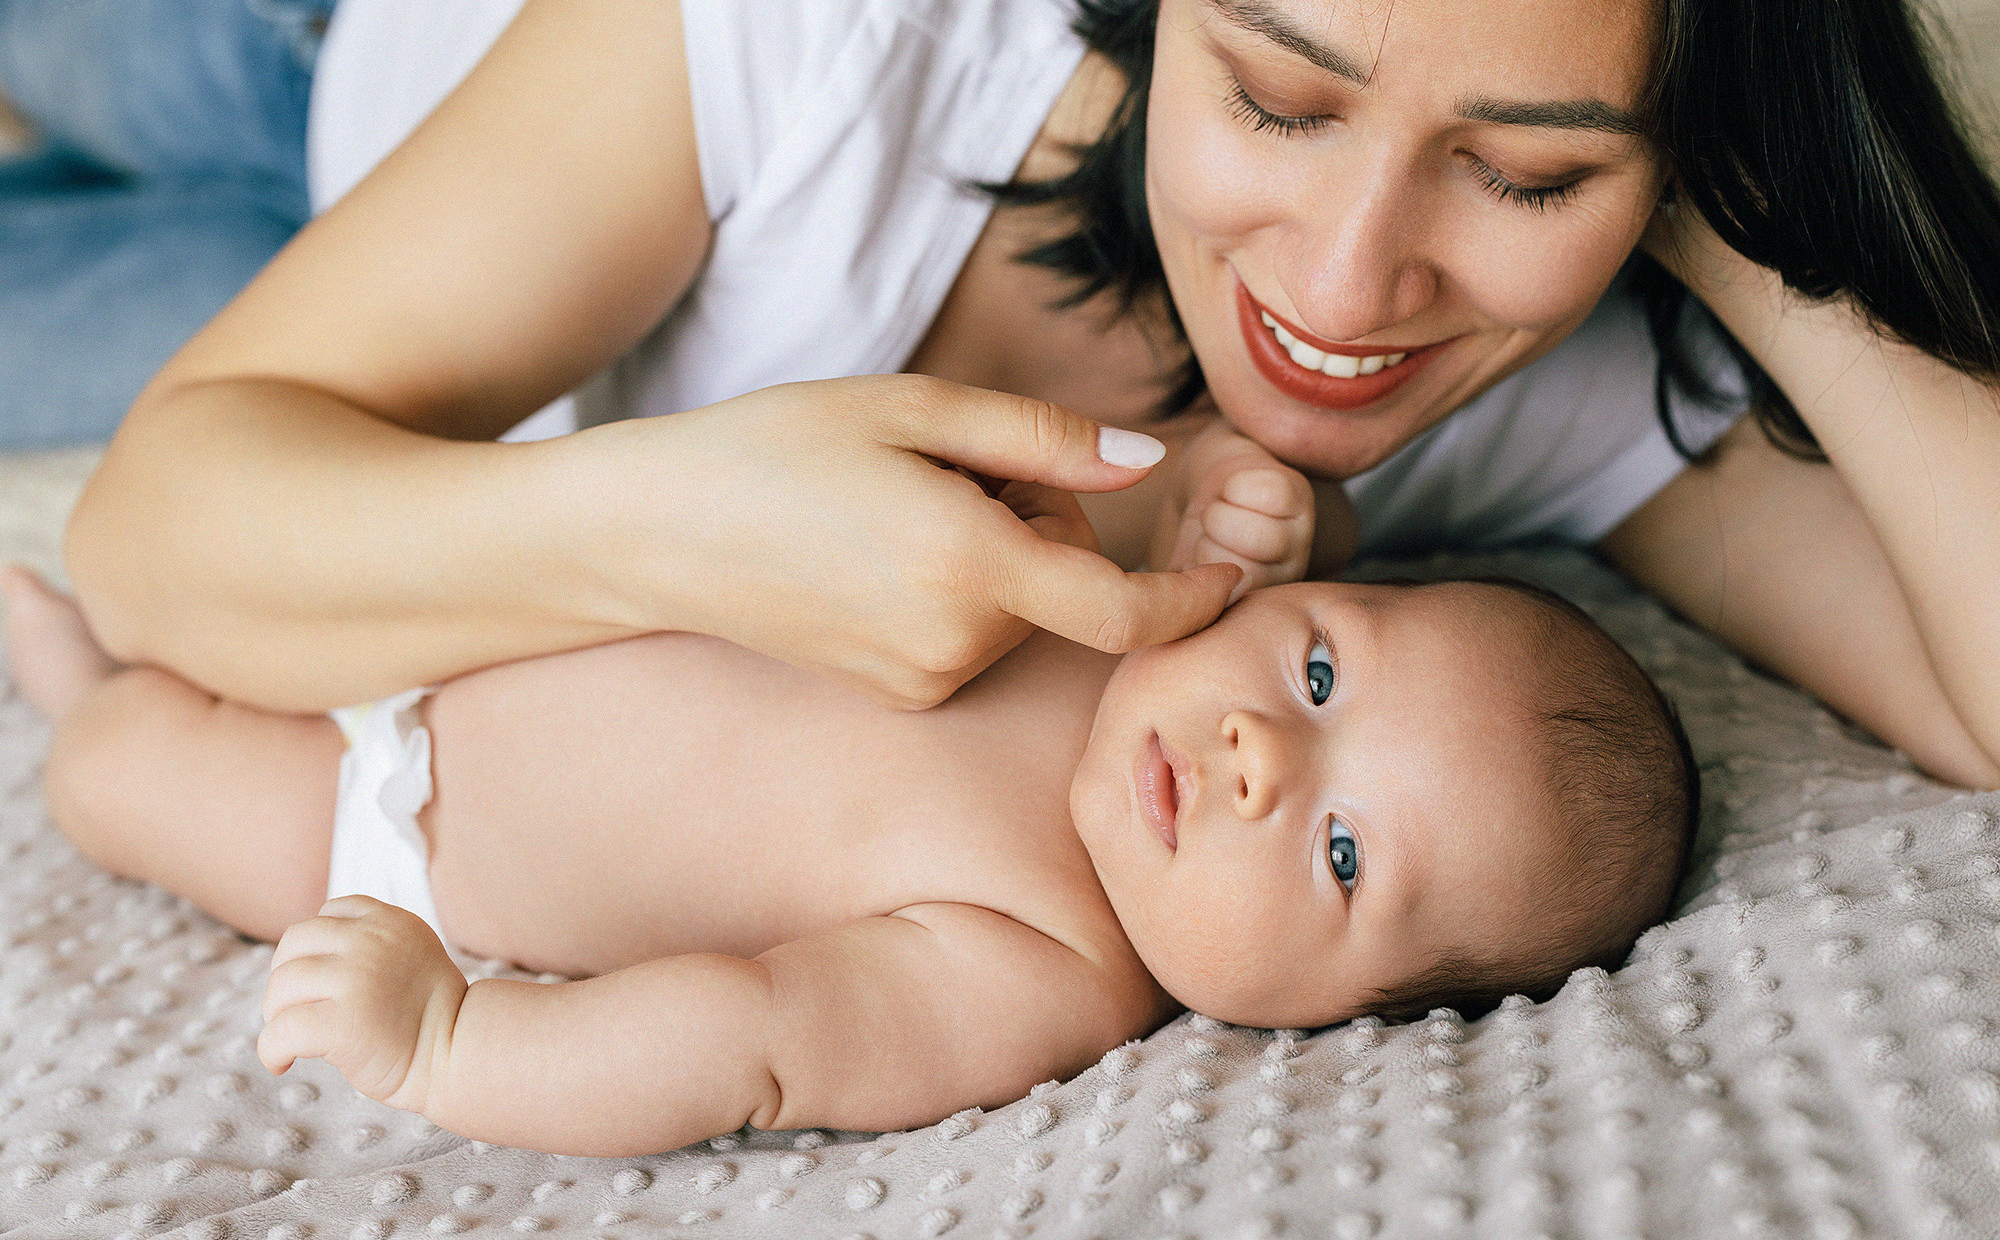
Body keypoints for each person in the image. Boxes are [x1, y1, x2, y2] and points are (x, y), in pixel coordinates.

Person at [14, 0, 2000, 792]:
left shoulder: (1564, 363)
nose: (1340, 295)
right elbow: (154, 531)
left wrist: (1774, 207)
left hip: (357, 328)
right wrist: (684, 524)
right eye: (1276, 101)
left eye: (1526, 172)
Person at [1, 472, 1697, 1155]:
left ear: (1347, 1019)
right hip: (492, 581)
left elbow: (753, 1035)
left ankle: (80, 695)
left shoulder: (1043, 960)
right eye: (1322, 672)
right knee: (209, 575)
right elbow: (1020, 487)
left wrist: (454, 1044)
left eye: (1341, 855)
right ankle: (127, 618)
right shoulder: (1133, 612)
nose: (1265, 756)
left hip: (398, 823)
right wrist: (1219, 489)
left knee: (127, 770)